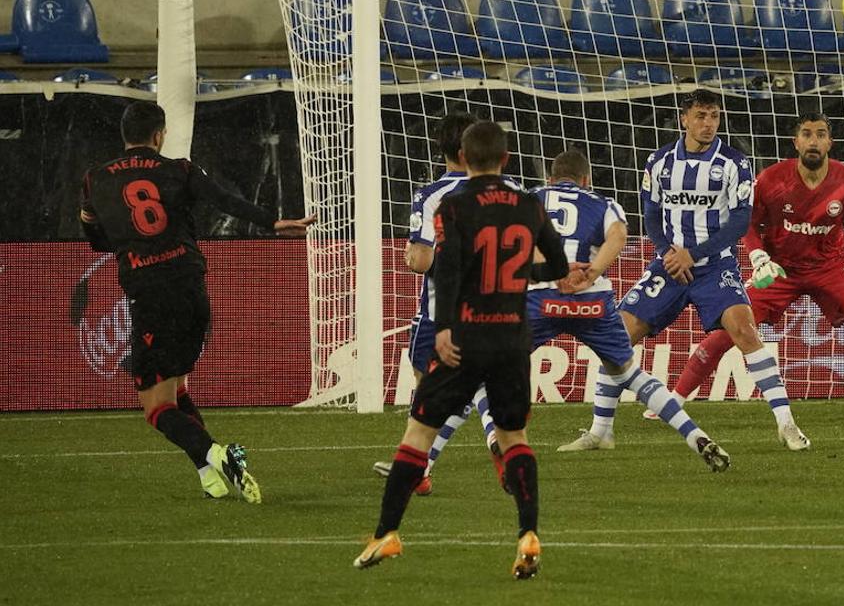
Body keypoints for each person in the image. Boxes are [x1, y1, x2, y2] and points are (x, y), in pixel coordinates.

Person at [355, 121, 568, 579]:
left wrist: (447, 327)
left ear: (464, 159)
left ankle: (386, 534)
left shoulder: (453, 205)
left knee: (418, 434)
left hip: (465, 335)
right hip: (512, 336)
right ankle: (527, 533)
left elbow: (445, 270)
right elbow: (559, 264)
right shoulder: (529, 203)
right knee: (516, 438)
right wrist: (517, 279)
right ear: (506, 160)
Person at [78, 101, 313, 503]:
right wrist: (273, 222)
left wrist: (120, 239)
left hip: (151, 296)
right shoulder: (180, 170)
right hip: (193, 291)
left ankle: (215, 453)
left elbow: (95, 237)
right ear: (159, 135)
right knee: (177, 388)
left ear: (125, 137)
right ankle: (211, 476)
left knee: (155, 407)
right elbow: (225, 200)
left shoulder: (94, 179)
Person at [671, 112, 844, 417]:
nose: (814, 141)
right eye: (807, 134)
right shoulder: (771, 180)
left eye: (821, 134)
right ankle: (675, 398)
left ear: (830, 143)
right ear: (796, 142)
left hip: (831, 267)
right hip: (780, 270)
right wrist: (759, 258)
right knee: (728, 329)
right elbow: (747, 223)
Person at [619, 88, 811, 451]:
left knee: (744, 329)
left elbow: (740, 222)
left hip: (714, 266)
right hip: (670, 266)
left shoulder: (735, 163)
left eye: (714, 116)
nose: (708, 123)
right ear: (684, 119)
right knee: (618, 336)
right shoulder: (658, 162)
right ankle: (601, 430)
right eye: (701, 116)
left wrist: (693, 254)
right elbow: (651, 215)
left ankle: (786, 423)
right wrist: (668, 254)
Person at [529, 149, 729, 471]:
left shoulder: (531, 198)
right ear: (586, 180)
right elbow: (619, 236)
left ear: (549, 179)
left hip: (542, 298)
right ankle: (695, 436)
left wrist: (556, 270)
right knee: (629, 373)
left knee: (493, 366)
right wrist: (590, 273)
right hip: (592, 301)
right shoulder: (604, 204)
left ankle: (480, 445)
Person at [371, 111, 501, 492]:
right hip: (494, 307)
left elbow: (423, 260)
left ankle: (417, 467)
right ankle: (494, 434)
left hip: (441, 312)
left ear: (448, 150)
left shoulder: (432, 196)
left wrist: (412, 256)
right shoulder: (506, 191)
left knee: (427, 386)